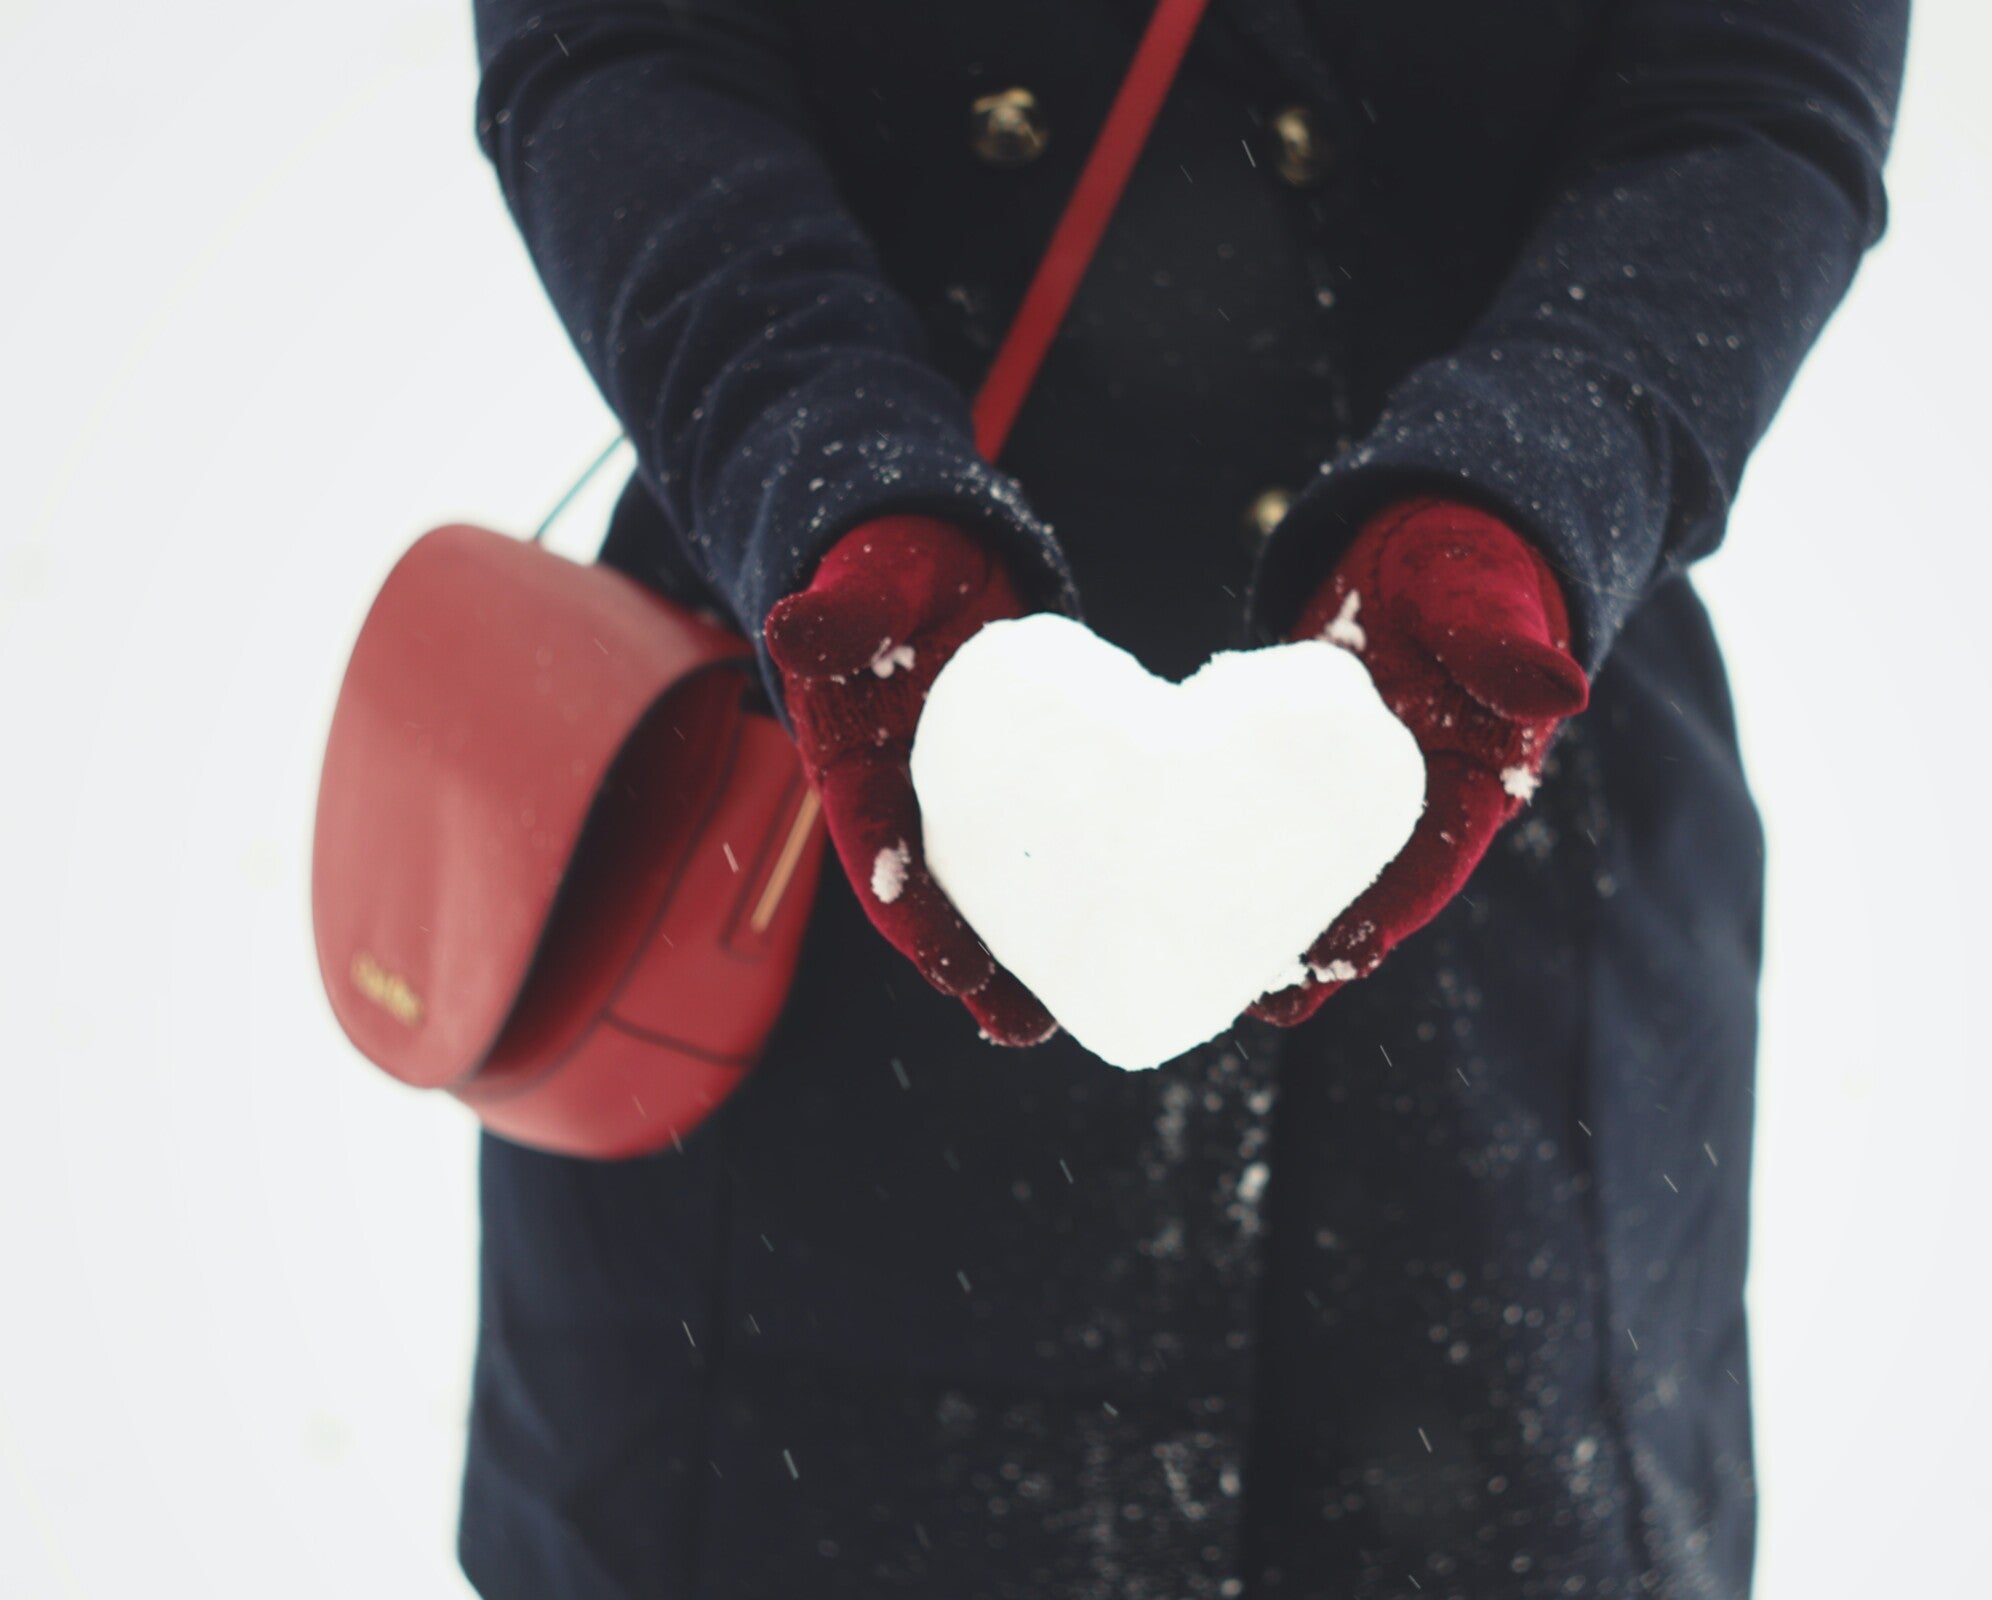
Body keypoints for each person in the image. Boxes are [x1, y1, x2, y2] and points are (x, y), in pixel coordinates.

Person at [459, 2, 1906, 1595]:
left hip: (1498, 822)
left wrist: (1533, 494)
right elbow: (619, 43)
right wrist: (821, 473)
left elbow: (1749, 97)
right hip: (821, 771)